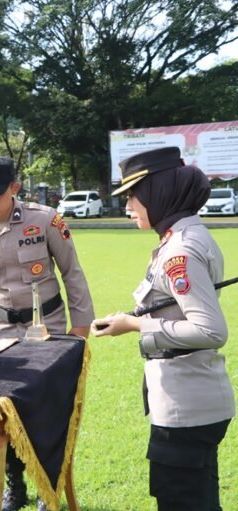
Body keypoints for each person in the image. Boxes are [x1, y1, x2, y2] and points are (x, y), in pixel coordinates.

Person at [91, 146, 234, 511]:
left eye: (133, 196)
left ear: (159, 192)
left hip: (187, 404)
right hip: (191, 396)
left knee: (182, 502)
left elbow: (211, 330)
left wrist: (134, 324)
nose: (127, 207)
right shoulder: (183, 236)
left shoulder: (180, 250)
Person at [0, 156, 94, 511]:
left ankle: (49, 490)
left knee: (49, 412)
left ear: (14, 188)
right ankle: (15, 487)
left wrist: (80, 329)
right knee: (6, 414)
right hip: (1, 335)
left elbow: (72, 273)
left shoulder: (45, 220)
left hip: (50, 331)